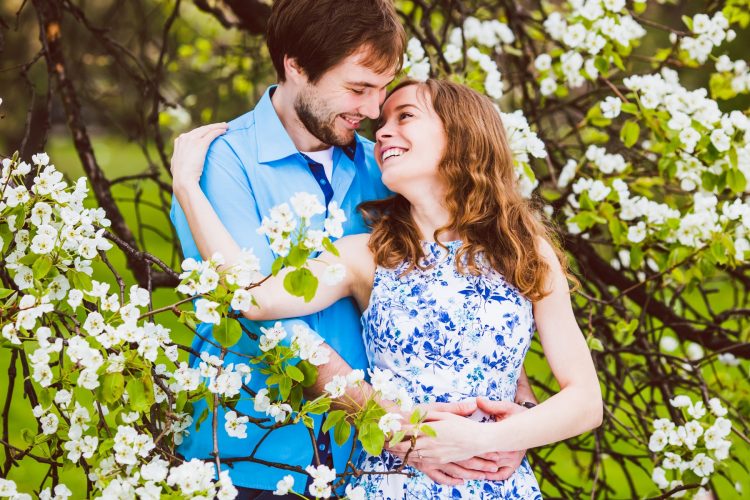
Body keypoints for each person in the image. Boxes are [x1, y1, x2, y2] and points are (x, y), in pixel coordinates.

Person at [169, 0, 536, 496]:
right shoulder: (221, 162)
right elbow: (265, 316)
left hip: (373, 472)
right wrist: (390, 424)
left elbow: (469, 292)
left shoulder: (388, 166)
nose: (372, 111)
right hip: (254, 460)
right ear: (296, 65)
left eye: (382, 90)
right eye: (359, 88)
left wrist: (516, 420)